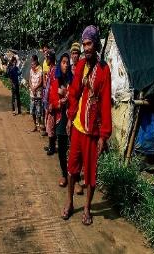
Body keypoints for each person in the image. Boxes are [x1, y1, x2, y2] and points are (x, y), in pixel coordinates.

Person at [62, 25, 112, 225]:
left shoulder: (103, 70)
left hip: (92, 131)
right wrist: (70, 117)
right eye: (84, 44)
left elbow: (106, 103)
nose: (86, 47)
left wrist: (104, 135)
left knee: (90, 173)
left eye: (89, 43)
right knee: (72, 169)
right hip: (77, 128)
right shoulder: (81, 64)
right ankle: (69, 201)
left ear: (96, 43)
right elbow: (74, 93)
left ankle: (87, 209)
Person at [49, 53, 73, 188]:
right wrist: (60, 101)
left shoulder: (72, 79)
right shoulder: (55, 80)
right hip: (61, 118)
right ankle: (65, 175)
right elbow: (53, 99)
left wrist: (66, 95)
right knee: (62, 150)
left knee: (75, 150)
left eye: (67, 62)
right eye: (64, 62)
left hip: (73, 118)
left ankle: (75, 178)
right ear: (60, 64)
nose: (66, 65)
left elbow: (76, 96)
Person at [69, 41, 84, 195]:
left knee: (78, 148)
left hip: (79, 113)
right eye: (73, 53)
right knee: (70, 145)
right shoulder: (67, 69)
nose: (74, 56)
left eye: (76, 53)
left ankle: (77, 178)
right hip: (68, 110)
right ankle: (71, 175)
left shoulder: (82, 69)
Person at [43, 51, 57, 155]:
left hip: (52, 101)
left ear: (50, 59)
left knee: (51, 125)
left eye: (47, 58)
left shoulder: (54, 70)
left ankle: (52, 148)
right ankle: (50, 146)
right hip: (49, 101)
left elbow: (54, 88)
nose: (46, 60)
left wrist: (52, 102)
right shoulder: (51, 70)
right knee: (49, 123)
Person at [29, 55, 43, 131]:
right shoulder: (31, 70)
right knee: (32, 111)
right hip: (32, 94)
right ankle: (35, 125)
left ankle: (40, 126)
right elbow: (29, 79)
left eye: (33, 61)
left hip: (38, 94)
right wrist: (31, 88)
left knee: (39, 111)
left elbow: (41, 81)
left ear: (36, 61)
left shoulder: (40, 69)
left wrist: (35, 88)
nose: (32, 63)